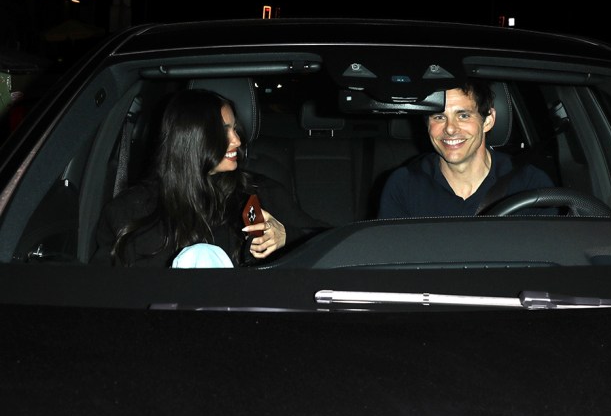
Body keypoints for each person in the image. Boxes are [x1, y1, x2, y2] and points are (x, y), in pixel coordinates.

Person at [92, 88, 329, 267]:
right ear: (191, 140)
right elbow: (104, 287)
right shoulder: (131, 210)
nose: (237, 140)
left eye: (235, 128)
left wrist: (288, 236)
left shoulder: (261, 193)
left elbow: (331, 244)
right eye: (223, 130)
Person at [377, 79, 556, 218]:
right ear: (427, 125)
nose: (450, 128)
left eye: (463, 115)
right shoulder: (404, 185)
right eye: (439, 117)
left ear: (488, 120)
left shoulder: (529, 183)